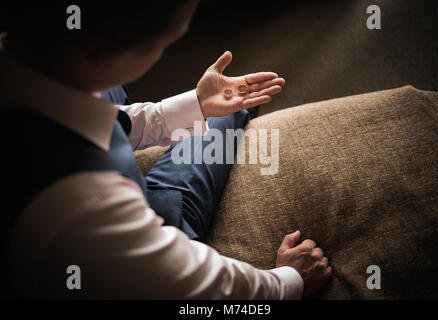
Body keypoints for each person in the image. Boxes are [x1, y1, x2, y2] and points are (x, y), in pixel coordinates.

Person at [0, 1, 331, 299]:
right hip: (125, 219)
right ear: (108, 54)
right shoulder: (86, 204)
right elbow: (194, 287)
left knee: (122, 93)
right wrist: (289, 281)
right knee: (227, 118)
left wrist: (193, 106)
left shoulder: (37, 56)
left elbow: (105, 112)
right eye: (163, 45)